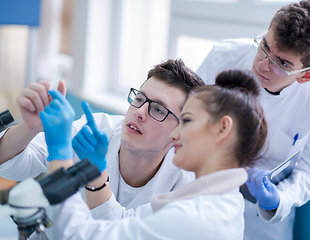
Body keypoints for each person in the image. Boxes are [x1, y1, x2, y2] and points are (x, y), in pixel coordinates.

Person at [40, 69, 267, 240]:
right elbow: (127, 224)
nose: (174, 134)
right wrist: (97, 172)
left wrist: (59, 152)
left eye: (186, 121)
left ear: (222, 128)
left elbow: (77, 235)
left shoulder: (196, 218)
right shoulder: (222, 200)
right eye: (139, 99)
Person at [0, 59, 204, 238]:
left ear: (181, 130)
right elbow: (10, 165)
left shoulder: (184, 183)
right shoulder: (97, 129)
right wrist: (29, 127)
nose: (139, 112)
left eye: (158, 109)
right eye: (140, 98)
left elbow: (122, 234)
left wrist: (96, 176)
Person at [196, 0, 310, 239]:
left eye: (282, 63)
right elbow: (185, 123)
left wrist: (277, 199)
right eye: (264, 46)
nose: (263, 65)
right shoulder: (223, 57)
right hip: (202, 190)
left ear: (307, 75)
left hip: (260, 218)